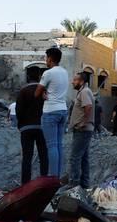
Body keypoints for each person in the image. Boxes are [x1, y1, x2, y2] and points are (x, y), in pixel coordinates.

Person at [35, 48, 69, 177]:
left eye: (46, 58)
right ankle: (57, 177)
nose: (45, 60)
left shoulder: (48, 73)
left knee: (52, 146)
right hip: (63, 110)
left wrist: (43, 92)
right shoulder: (65, 72)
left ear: (50, 58)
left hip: (50, 111)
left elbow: (37, 92)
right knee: (59, 145)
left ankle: (53, 178)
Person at [16, 67, 47, 185]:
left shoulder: (23, 91)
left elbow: (19, 110)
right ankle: (44, 181)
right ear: (39, 77)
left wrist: (21, 124)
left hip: (26, 128)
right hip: (41, 127)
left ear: (28, 77)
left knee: (27, 157)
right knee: (43, 154)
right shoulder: (43, 90)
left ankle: (25, 184)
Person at [68, 73, 94, 188]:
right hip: (83, 130)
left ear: (81, 82)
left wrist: (84, 122)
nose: (72, 82)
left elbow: (88, 106)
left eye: (75, 80)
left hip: (82, 130)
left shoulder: (84, 92)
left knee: (75, 158)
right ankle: (84, 184)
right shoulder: (84, 91)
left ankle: (74, 184)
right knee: (84, 158)